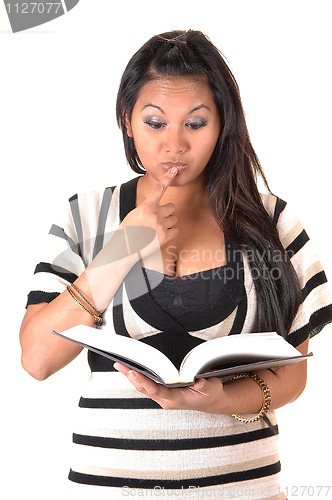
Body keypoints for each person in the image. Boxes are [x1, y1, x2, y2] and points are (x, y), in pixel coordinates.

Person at [20, 30, 332, 499]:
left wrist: (223, 400)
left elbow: (293, 374)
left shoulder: (274, 222)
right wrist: (120, 249)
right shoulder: (85, 216)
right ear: (127, 121)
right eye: (155, 122)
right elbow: (37, 359)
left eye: (196, 123)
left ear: (222, 123)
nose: (175, 146)